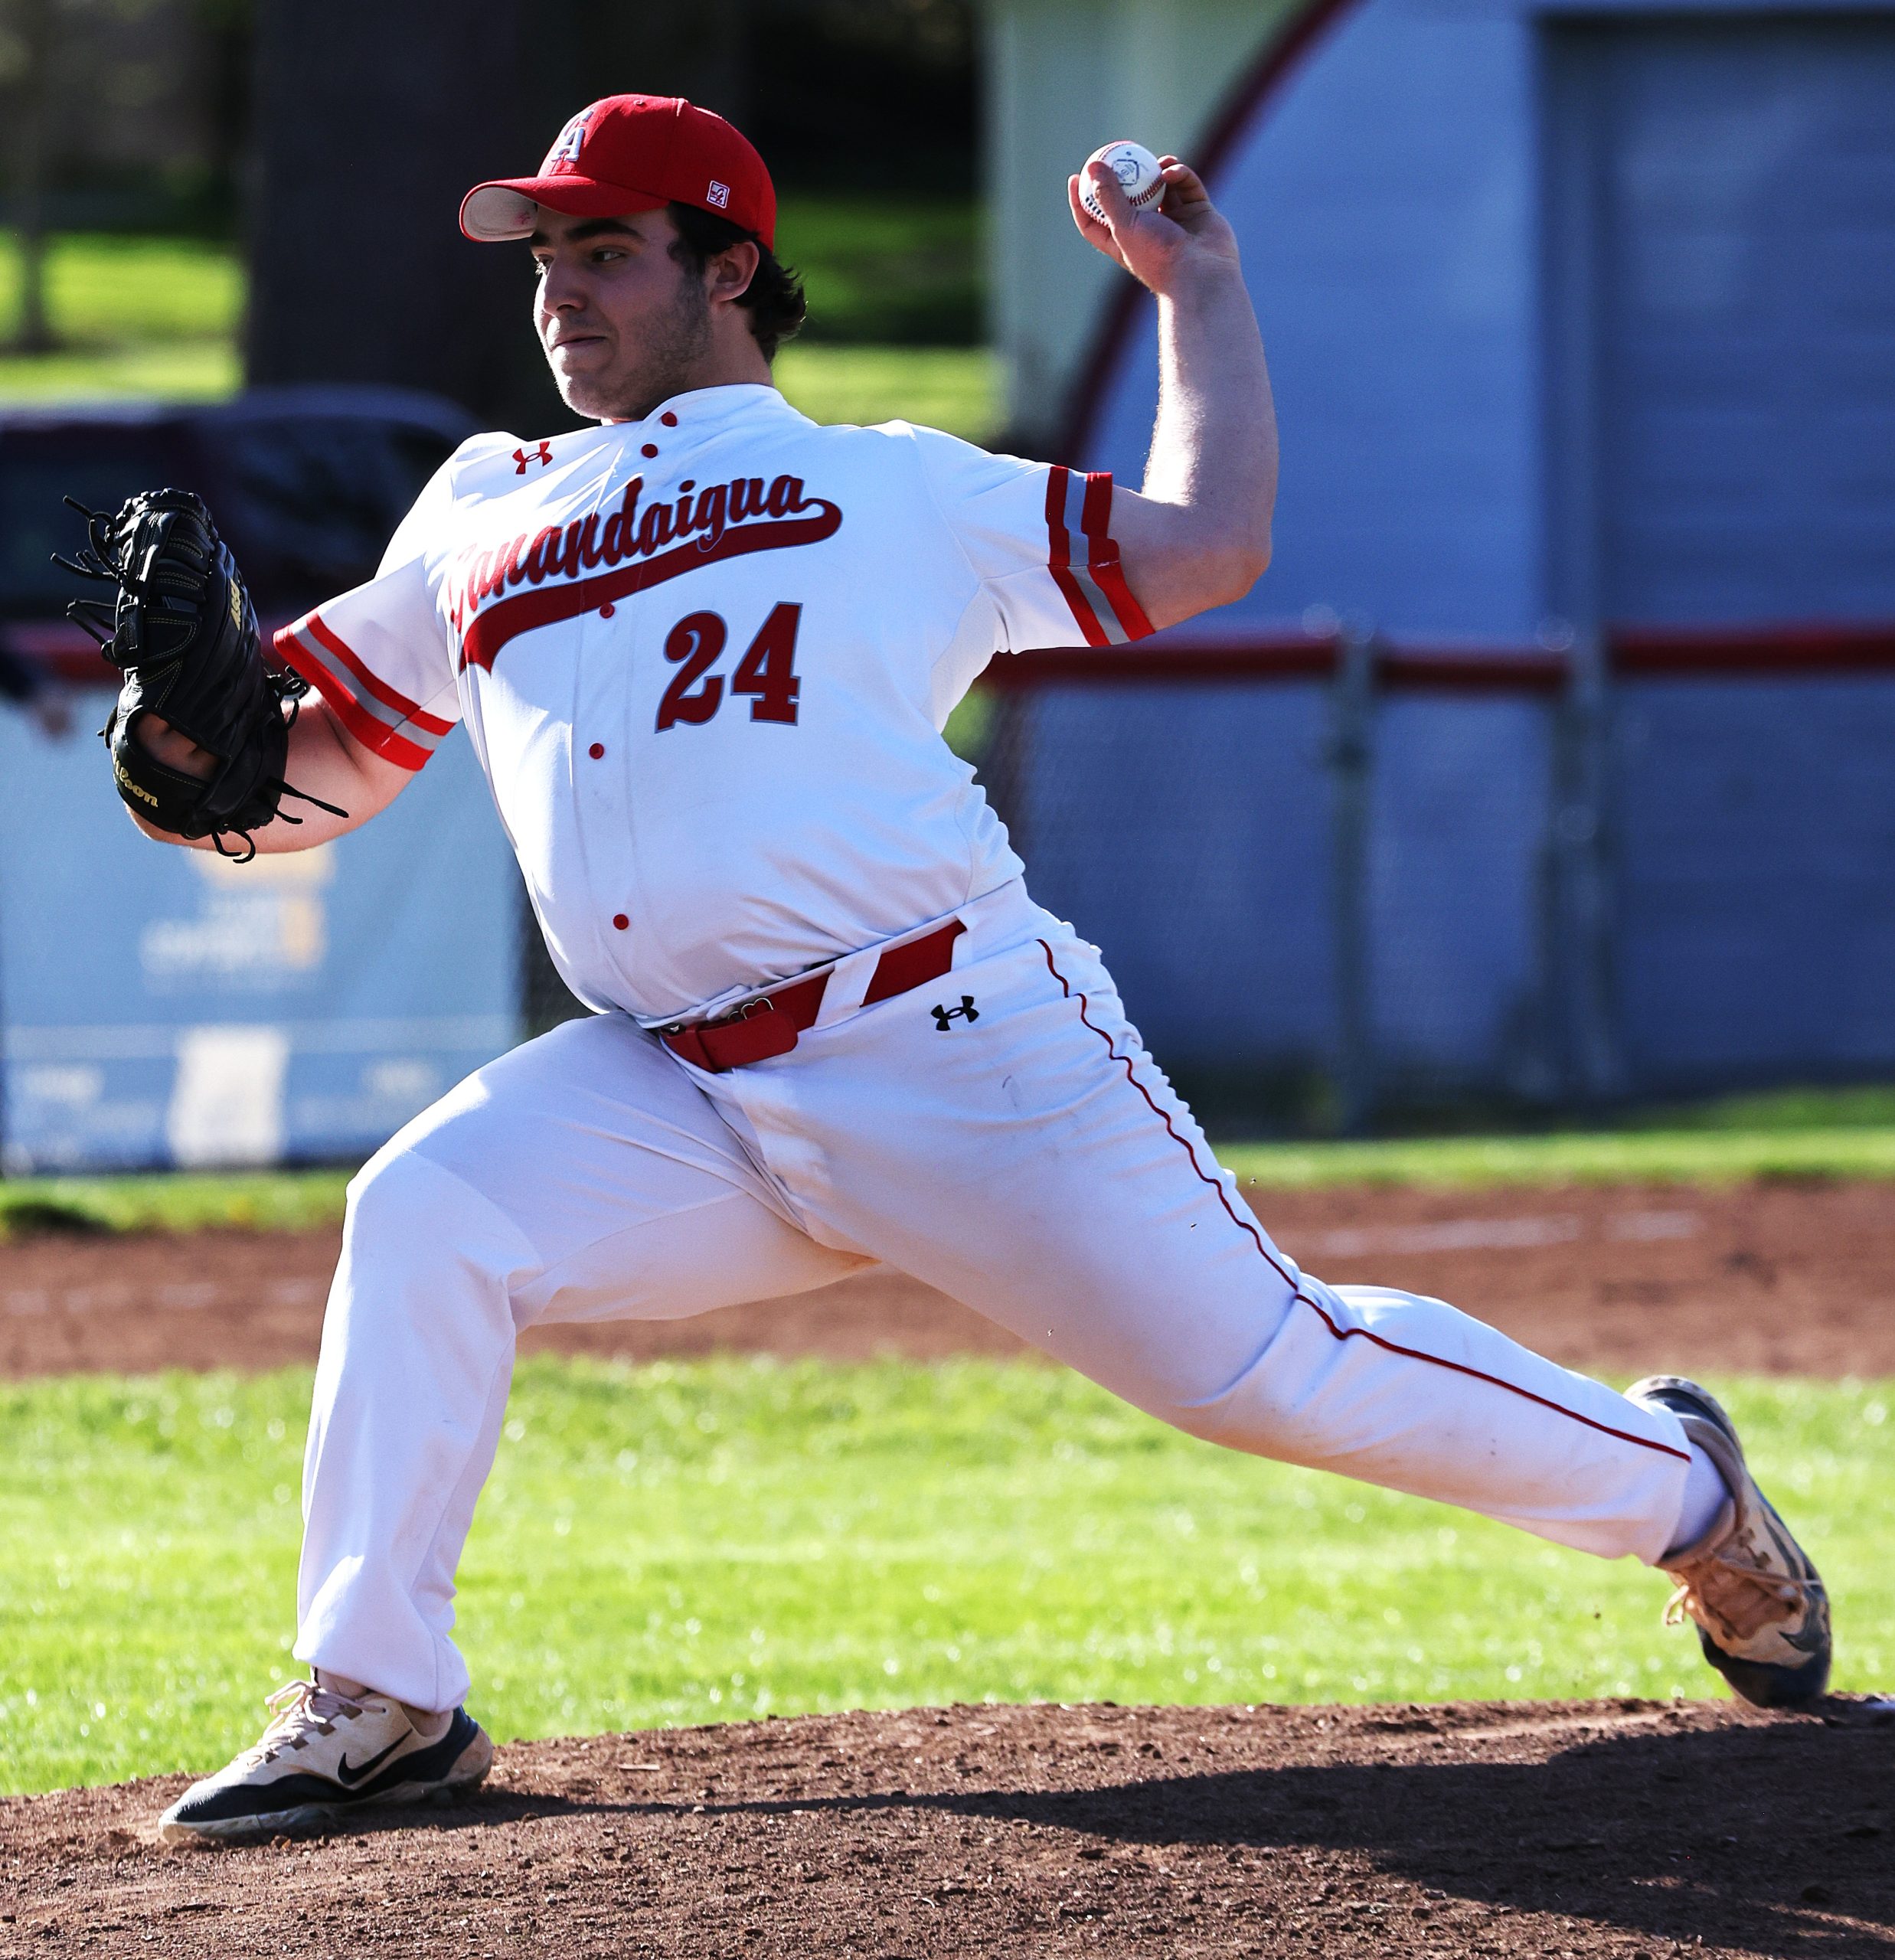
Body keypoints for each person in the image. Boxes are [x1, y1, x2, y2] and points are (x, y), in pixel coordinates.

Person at [139, 95, 1827, 1845]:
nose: (562, 289)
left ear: (729, 272)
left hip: (949, 1042)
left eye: (609, 251)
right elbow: (303, 774)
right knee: (428, 1208)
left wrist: (1195, 293)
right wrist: (183, 766)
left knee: (1275, 1368)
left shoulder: (883, 482)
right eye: (549, 255)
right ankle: (379, 1694)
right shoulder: (482, 506)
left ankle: (1685, 1490)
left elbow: (1203, 544)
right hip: (673, 1083)